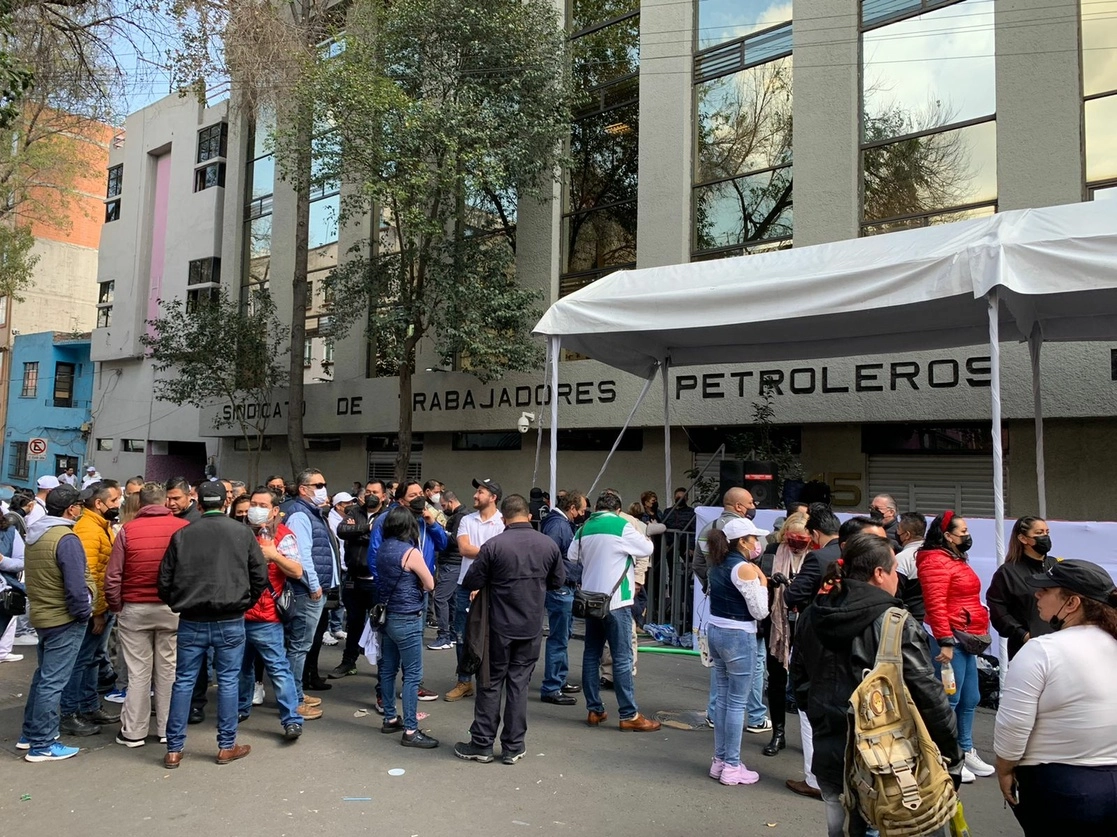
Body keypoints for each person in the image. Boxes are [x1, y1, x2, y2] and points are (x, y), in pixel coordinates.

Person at [792, 533, 962, 837]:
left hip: (831, 750)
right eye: (895, 569)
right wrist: (952, 757)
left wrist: (824, 717)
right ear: (879, 574)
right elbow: (930, 697)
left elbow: (800, 683)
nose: (898, 577)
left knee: (841, 827)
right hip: (891, 762)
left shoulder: (812, 615)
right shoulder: (895, 622)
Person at [993, 558, 1117, 835]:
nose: (1037, 594)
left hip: (1063, 787)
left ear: (1072, 603)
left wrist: (1003, 769)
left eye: (1046, 589)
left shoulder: (1041, 650)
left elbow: (1013, 726)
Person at [158, 480, 267, 768]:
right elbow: (260, 576)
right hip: (230, 617)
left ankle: (174, 749)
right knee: (229, 681)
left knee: (183, 681)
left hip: (192, 619)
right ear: (226, 503)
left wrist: (179, 603)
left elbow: (164, 581)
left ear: (200, 504)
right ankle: (226, 745)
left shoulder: (183, 534)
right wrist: (244, 602)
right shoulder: (242, 533)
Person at [454, 494, 564, 764]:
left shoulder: (493, 546)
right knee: (519, 685)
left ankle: (482, 743)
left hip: (497, 626)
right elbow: (559, 581)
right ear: (529, 516)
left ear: (503, 518)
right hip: (531, 625)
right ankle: (514, 746)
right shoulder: (548, 545)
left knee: (490, 684)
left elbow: (471, 580)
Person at [104, 482, 190, 747]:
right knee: (168, 671)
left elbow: (113, 576)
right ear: (165, 502)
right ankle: (167, 729)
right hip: (172, 609)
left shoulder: (128, 531)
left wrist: (116, 605)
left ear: (140, 503)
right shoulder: (183, 529)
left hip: (135, 609)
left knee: (138, 672)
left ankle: (133, 731)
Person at [569, 491, 659, 732]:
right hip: (616, 601)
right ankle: (629, 714)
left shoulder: (585, 527)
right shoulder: (621, 525)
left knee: (591, 654)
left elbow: (571, 556)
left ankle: (594, 710)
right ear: (618, 509)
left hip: (591, 600)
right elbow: (647, 548)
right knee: (622, 657)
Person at [917, 510, 993, 783]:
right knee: (950, 700)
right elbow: (935, 605)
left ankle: (965, 747)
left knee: (970, 698)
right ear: (947, 536)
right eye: (962, 531)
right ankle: (947, 755)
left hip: (965, 638)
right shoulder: (935, 561)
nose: (967, 535)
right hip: (950, 639)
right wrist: (945, 641)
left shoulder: (954, 558)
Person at [18, 485, 94, 761]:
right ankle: (43, 743)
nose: (81, 510)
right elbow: (75, 586)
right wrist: (83, 612)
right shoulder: (66, 538)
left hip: (43, 615)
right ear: (71, 508)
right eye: (79, 505)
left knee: (43, 679)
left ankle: (31, 734)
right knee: (53, 682)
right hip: (64, 618)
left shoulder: (37, 535)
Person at [703, 517, 770, 786]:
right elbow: (760, 611)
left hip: (716, 630)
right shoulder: (745, 569)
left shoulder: (716, 564)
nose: (757, 543)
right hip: (739, 635)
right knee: (737, 702)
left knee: (723, 698)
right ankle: (731, 764)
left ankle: (720, 760)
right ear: (742, 542)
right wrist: (763, 584)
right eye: (754, 538)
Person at [782, 503, 841, 799]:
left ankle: (815, 778)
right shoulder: (853, 553)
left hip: (816, 640)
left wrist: (791, 587)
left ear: (815, 533)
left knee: (809, 709)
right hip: (848, 642)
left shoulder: (817, 558)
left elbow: (794, 595)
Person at [238, 487, 305, 741]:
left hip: (266, 618)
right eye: (253, 504)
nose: (255, 509)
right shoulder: (240, 534)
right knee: (240, 668)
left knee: (278, 668)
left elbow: (297, 571)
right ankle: (241, 709)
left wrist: (274, 555)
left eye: (262, 505)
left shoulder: (284, 536)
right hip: (238, 614)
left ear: (275, 510)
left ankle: (291, 720)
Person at [61, 480, 123, 735]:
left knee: (93, 658)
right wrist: (97, 612)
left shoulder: (101, 525)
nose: (118, 505)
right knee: (81, 660)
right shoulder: (88, 528)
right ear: (99, 504)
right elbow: (89, 575)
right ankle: (70, 711)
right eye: (115, 500)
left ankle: (88, 706)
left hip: (103, 606)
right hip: (94, 610)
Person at [376, 505, 437, 748]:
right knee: (412, 675)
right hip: (408, 616)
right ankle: (411, 729)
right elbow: (430, 583)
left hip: (387, 616)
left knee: (388, 669)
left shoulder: (382, 549)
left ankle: (390, 717)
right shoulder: (410, 552)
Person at [283, 468, 341, 703]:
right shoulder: (300, 515)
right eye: (318, 485)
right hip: (307, 591)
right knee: (299, 647)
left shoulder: (312, 513)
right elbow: (302, 556)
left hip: (315, 589)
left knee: (302, 645)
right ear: (303, 489)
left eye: (323, 483)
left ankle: (296, 694)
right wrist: (314, 585)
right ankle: (293, 698)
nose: (323, 488)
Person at [443, 478, 504, 701]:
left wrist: (483, 555)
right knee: (462, 636)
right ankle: (464, 681)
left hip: (494, 587)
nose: (475, 496)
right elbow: (464, 548)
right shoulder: (467, 520)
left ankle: (490, 682)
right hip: (465, 585)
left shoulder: (502, 522)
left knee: (494, 635)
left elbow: (502, 554)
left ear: (493, 497)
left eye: (480, 492)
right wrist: (491, 552)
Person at [760, 512, 810, 758]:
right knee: (777, 679)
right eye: (793, 537)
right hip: (777, 622)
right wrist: (771, 581)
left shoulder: (815, 555)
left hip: (805, 623)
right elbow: (761, 580)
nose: (797, 543)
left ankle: (809, 737)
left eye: (803, 538)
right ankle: (778, 732)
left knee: (806, 681)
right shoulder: (772, 548)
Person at [539, 489, 587, 705]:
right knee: (559, 637)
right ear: (572, 508)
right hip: (560, 588)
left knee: (562, 636)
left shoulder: (557, 522)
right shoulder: (559, 525)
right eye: (582, 510)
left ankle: (558, 679)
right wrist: (562, 576)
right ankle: (552, 686)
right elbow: (549, 555)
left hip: (560, 585)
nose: (582, 514)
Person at [331, 486, 384, 678]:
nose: (371, 495)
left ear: (383, 496)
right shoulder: (354, 511)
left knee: (380, 625)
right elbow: (343, 530)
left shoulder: (387, 515)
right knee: (353, 623)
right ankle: (348, 662)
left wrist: (358, 534)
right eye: (368, 491)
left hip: (376, 581)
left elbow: (382, 537)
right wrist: (366, 529)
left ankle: (383, 667)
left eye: (375, 492)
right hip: (353, 579)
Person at [987, 515, 1055, 660]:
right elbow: (997, 609)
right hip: (1026, 649)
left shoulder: (1056, 567)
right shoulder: (1008, 572)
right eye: (1038, 533)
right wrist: (1023, 635)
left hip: (1058, 646)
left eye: (1046, 533)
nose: (1044, 537)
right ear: (1023, 539)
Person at [428, 489, 466, 651]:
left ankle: (444, 636)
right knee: (451, 600)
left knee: (441, 598)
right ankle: (451, 633)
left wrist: (438, 529)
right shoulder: (460, 516)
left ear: (450, 502)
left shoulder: (460, 517)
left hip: (453, 562)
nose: (443, 509)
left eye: (443, 505)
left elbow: (454, 540)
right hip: (453, 563)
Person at [894, 511, 927, 620]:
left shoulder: (901, 559)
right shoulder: (936, 554)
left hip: (914, 621)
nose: (896, 532)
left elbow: (896, 595)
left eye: (898, 528)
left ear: (907, 535)